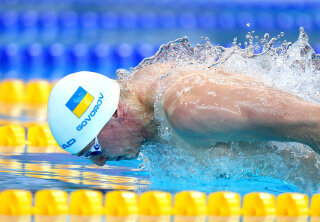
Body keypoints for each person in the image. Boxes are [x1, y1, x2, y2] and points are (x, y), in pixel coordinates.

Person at [48, 63, 320, 166]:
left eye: (94, 149)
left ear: (116, 112)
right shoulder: (151, 117)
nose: (100, 163)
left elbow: (313, 122)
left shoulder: (187, 110)